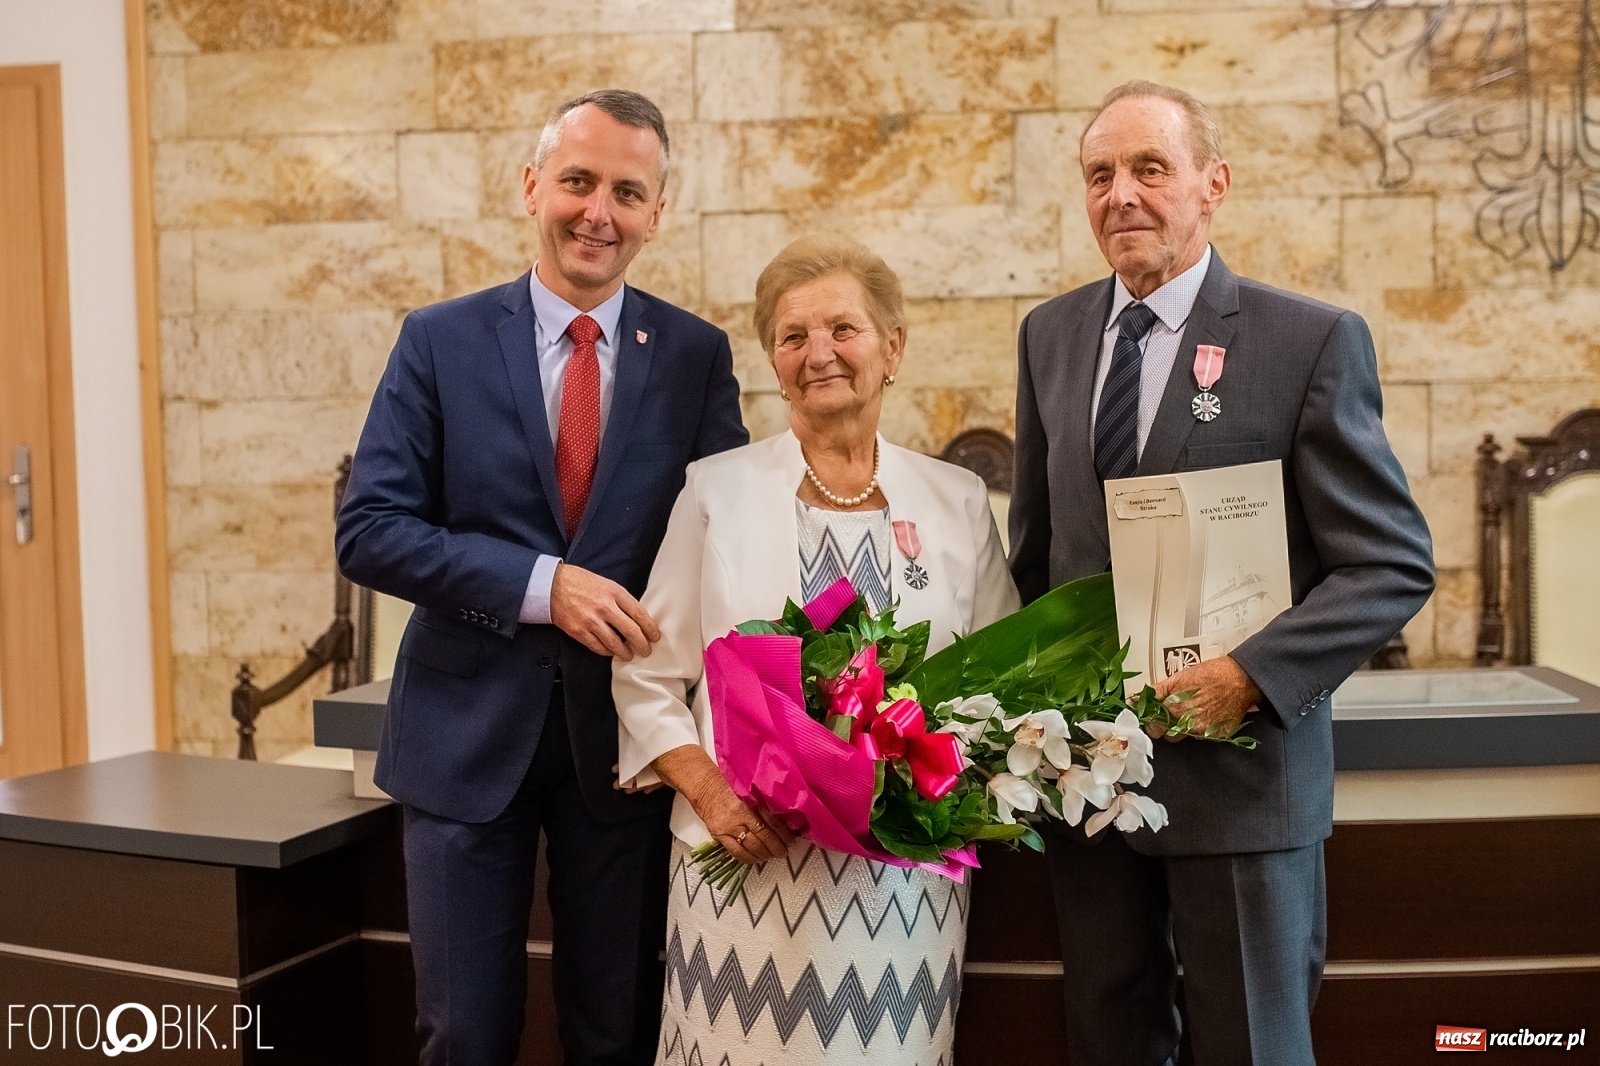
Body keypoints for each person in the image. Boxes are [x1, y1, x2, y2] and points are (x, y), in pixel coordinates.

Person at [1009, 81, 1435, 1065]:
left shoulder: (1307, 341)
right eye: (1100, 175)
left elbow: (1389, 563)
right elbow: (1037, 557)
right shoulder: (1052, 335)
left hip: (1241, 781)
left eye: (1150, 169)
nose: (1122, 194)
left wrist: (1248, 675)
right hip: (1091, 783)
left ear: (1212, 186)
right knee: (1106, 1039)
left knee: (1252, 1045)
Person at [335, 90, 747, 1066]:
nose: (597, 211)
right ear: (532, 187)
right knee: (466, 1032)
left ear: (657, 210)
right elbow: (369, 530)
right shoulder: (436, 341)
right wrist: (539, 583)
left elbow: (728, 541)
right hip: (460, 740)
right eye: (577, 181)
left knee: (617, 1028)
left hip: (626, 745)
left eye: (626, 191)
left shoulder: (694, 357)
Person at [611, 235, 1020, 1065]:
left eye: (844, 328)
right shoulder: (714, 491)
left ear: (892, 347)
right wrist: (718, 798)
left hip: (902, 886)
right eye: (793, 337)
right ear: (773, 359)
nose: (819, 353)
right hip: (744, 866)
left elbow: (1000, 683)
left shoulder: (958, 500)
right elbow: (647, 674)